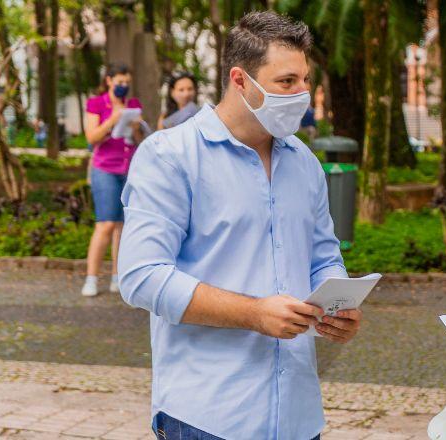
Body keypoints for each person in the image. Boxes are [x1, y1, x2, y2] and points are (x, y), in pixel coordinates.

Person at [118, 12, 362, 439]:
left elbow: (324, 254)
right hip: (207, 414)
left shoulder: (304, 163)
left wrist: (338, 302)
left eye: (305, 80)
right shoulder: (170, 156)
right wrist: (254, 313)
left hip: (298, 416)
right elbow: (141, 276)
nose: (302, 93)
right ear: (240, 79)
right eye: (287, 82)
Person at [81, 63, 145, 297]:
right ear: (109, 80)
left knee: (122, 227)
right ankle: (91, 278)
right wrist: (112, 120)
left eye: (127, 82)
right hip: (104, 169)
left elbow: (139, 140)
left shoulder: (134, 104)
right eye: (119, 82)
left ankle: (117, 276)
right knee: (105, 224)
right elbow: (91, 136)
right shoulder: (96, 103)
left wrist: (136, 127)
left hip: (129, 169)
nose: (123, 86)